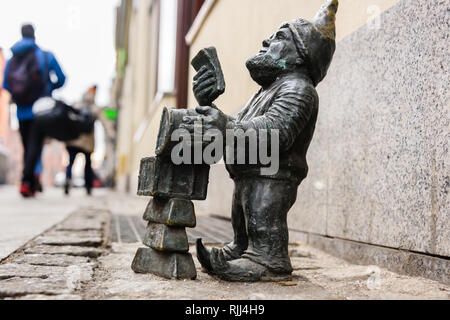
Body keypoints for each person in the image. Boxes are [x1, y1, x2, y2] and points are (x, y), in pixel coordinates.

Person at [183, 0, 339, 281]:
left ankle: (268, 259)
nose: (267, 40)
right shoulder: (266, 91)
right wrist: (210, 108)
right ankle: (241, 248)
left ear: (299, 55)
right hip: (248, 175)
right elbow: (238, 125)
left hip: (273, 177)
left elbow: (274, 131)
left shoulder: (298, 88)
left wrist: (225, 125)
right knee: (244, 221)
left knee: (264, 219)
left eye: (279, 37)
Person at [3, 24, 66, 197]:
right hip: (41, 109)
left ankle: (29, 181)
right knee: (35, 146)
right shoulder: (45, 56)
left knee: (26, 146)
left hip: (21, 111)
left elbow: (6, 85)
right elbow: (62, 78)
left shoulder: (12, 59)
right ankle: (27, 181)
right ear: (34, 35)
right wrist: (49, 87)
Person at [64, 85, 100, 196]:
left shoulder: (77, 105)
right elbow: (105, 122)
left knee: (71, 163)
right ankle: (88, 186)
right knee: (88, 164)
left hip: (73, 139)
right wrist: (111, 133)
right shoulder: (95, 108)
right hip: (87, 142)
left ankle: (68, 179)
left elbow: (68, 119)